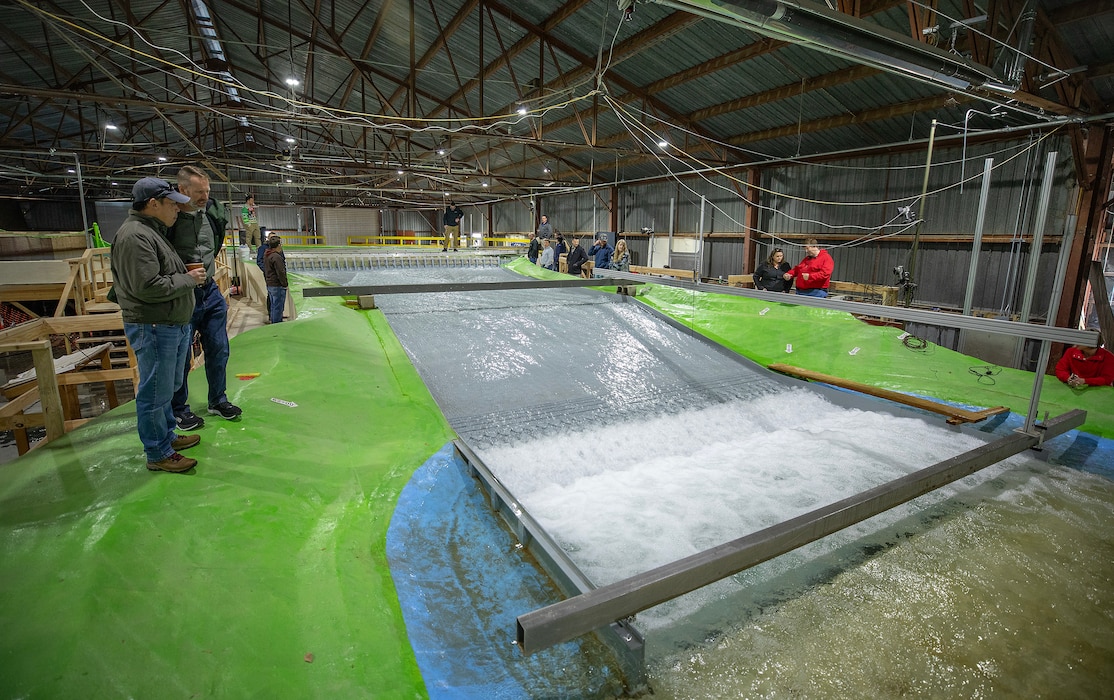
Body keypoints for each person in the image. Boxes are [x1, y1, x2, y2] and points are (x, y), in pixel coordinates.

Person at [110, 177, 206, 473]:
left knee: (167, 387)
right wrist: (188, 280)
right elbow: (147, 286)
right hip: (154, 325)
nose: (177, 209)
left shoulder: (151, 231)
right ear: (153, 204)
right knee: (154, 391)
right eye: (171, 203)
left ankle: (166, 437)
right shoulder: (135, 236)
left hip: (167, 323)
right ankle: (157, 452)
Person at [168, 165, 242, 429]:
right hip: (181, 294)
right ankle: (178, 409)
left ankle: (218, 399)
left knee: (219, 348)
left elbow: (216, 243)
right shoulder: (169, 217)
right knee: (180, 356)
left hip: (209, 291)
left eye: (207, 191)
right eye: (199, 192)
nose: (204, 196)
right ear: (182, 190)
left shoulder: (212, 213)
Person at [263, 236, 289, 324]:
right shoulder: (276, 257)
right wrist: (285, 284)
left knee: (274, 306)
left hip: (270, 284)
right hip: (277, 285)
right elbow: (280, 272)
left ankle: (274, 323)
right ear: (278, 245)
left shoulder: (267, 254)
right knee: (278, 307)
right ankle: (277, 325)